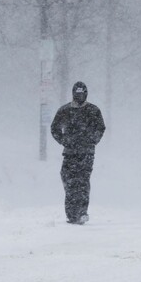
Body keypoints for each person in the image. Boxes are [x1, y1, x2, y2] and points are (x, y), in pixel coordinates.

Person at [51, 81, 106, 225]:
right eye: (77, 93)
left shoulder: (93, 110)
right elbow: (54, 128)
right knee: (68, 181)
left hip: (87, 153)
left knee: (82, 182)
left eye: (82, 93)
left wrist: (92, 140)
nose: (79, 96)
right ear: (73, 94)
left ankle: (81, 212)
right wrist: (64, 141)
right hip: (69, 153)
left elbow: (100, 128)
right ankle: (71, 214)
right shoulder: (65, 110)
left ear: (86, 94)